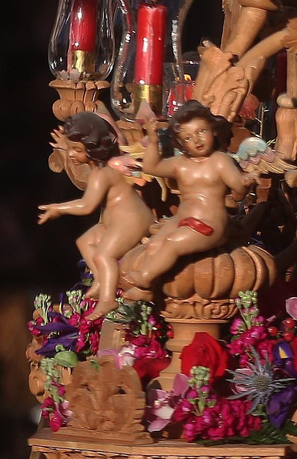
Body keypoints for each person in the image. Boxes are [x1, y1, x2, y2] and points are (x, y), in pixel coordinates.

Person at [121, 101, 250, 290]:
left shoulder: (220, 161)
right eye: (188, 138)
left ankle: (146, 277)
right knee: (153, 246)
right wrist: (153, 138)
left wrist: (247, 180)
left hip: (210, 224)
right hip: (183, 219)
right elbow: (151, 167)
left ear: (213, 130)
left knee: (173, 243)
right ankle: (146, 292)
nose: (197, 140)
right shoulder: (180, 163)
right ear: (181, 143)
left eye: (201, 132)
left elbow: (238, 186)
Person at [39, 113, 156, 319]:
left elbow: (87, 206)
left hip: (133, 220)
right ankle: (101, 280)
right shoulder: (101, 168)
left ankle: (108, 299)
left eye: (76, 150)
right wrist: (67, 148)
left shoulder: (102, 175)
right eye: (71, 148)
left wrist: (59, 208)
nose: (72, 155)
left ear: (92, 150)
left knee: (103, 255)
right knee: (84, 241)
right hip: (115, 221)